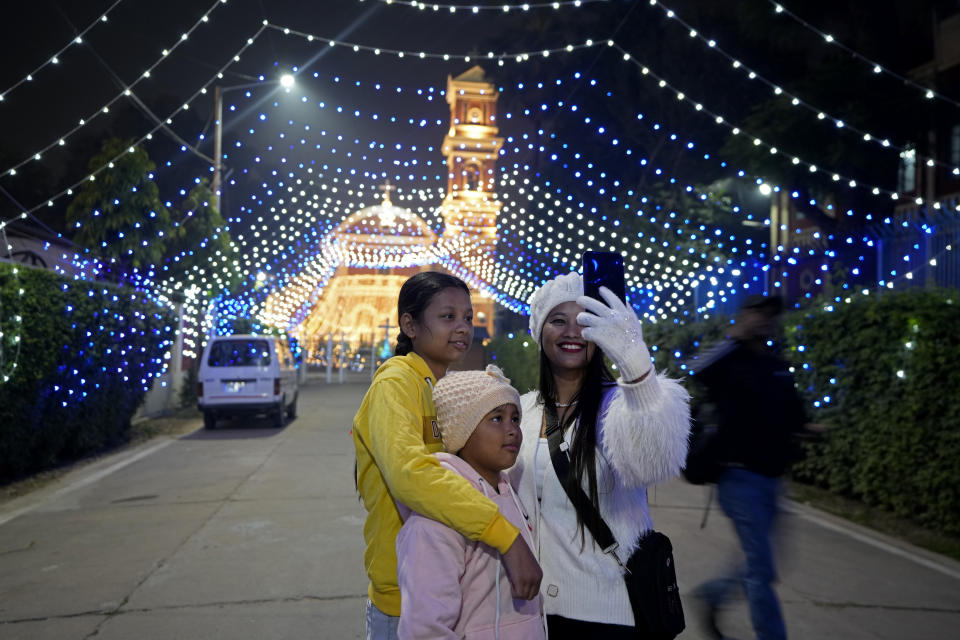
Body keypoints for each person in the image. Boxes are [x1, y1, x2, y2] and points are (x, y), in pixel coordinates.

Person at [352, 271, 542, 640]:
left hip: (449, 588)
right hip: (407, 600)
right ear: (409, 324)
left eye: (468, 317)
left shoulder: (438, 388)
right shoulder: (396, 382)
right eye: (447, 317)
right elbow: (411, 475)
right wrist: (506, 535)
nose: (462, 327)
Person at [509, 271, 691, 638]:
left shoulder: (623, 406)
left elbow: (654, 461)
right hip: (530, 611)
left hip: (605, 611)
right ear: (539, 332)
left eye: (586, 323)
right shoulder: (522, 410)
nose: (573, 332)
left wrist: (634, 361)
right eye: (558, 321)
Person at [691, 294, 823, 640]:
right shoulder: (728, 359)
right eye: (758, 313)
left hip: (773, 480)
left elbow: (793, 413)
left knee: (762, 564)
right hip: (738, 478)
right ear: (744, 315)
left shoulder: (775, 362)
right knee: (761, 570)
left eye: (771, 315)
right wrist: (734, 337)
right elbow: (697, 368)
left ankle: (714, 593)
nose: (766, 320)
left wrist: (810, 430)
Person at [396, 365, 546, 640]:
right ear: (460, 432)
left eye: (515, 419)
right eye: (496, 419)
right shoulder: (436, 520)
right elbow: (424, 629)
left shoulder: (509, 491)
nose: (512, 430)